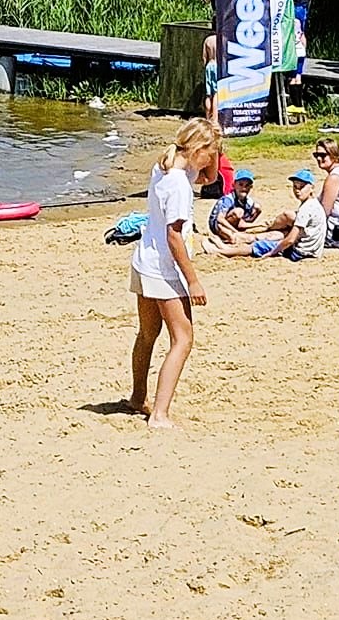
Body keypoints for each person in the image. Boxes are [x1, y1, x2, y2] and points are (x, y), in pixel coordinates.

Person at [128, 117, 220, 428]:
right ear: (197, 149)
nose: (212, 158)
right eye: (211, 151)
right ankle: (160, 413)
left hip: (144, 260)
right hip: (164, 269)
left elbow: (211, 177)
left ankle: (138, 396)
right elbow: (174, 236)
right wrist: (193, 280)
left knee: (147, 334)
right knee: (183, 339)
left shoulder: (165, 166)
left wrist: (215, 143)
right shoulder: (179, 184)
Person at [211, 169, 326, 260]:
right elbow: (219, 219)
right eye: (295, 187)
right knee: (272, 237)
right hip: (313, 252)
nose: (297, 191)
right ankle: (230, 244)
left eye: (301, 187)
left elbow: (290, 240)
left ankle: (222, 251)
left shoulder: (306, 209)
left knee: (259, 246)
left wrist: (273, 252)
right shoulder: (315, 204)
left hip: (300, 253)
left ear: (312, 188)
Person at [289, 0, 319, 88]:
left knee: (299, 35)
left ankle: (298, 73)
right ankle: (289, 69)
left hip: (298, 4)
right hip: (283, 4)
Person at [207, 169, 257, 245]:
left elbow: (243, 222)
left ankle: (236, 234)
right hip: (218, 225)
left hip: (232, 223)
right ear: (234, 185)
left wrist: (261, 225)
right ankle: (224, 236)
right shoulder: (228, 199)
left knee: (257, 208)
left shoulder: (249, 202)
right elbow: (220, 219)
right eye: (241, 184)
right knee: (239, 212)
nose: (244, 188)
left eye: (247, 186)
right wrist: (235, 231)